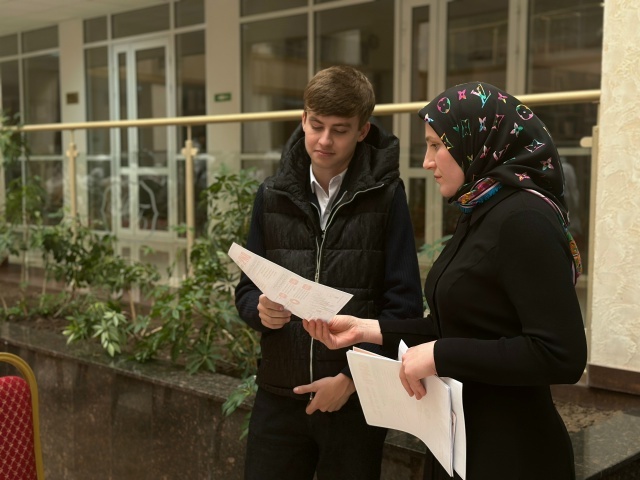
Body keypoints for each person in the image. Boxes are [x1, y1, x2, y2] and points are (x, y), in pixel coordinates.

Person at [303, 81, 588, 480]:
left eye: (437, 145)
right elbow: (457, 324)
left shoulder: (523, 219)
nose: (427, 162)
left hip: (512, 455)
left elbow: (561, 355)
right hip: (459, 441)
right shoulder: (481, 209)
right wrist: (368, 329)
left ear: (477, 142)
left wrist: (440, 355)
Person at [234, 65, 424, 480]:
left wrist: (350, 379)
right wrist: (259, 310)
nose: (324, 140)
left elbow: (404, 306)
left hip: (352, 402)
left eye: (339, 130)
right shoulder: (271, 194)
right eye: (316, 125)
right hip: (278, 396)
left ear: (362, 131)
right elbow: (246, 290)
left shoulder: (387, 196)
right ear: (303, 119)